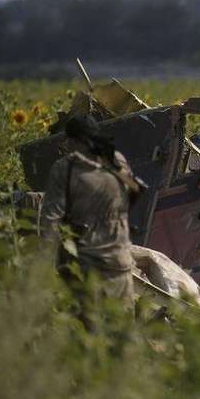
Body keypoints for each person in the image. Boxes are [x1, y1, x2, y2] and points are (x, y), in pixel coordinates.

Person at [40, 114, 144, 321]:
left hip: (87, 268)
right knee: (121, 335)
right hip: (120, 264)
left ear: (76, 140)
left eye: (68, 139)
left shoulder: (66, 168)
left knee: (88, 336)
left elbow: (50, 220)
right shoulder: (117, 160)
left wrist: (43, 264)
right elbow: (134, 193)